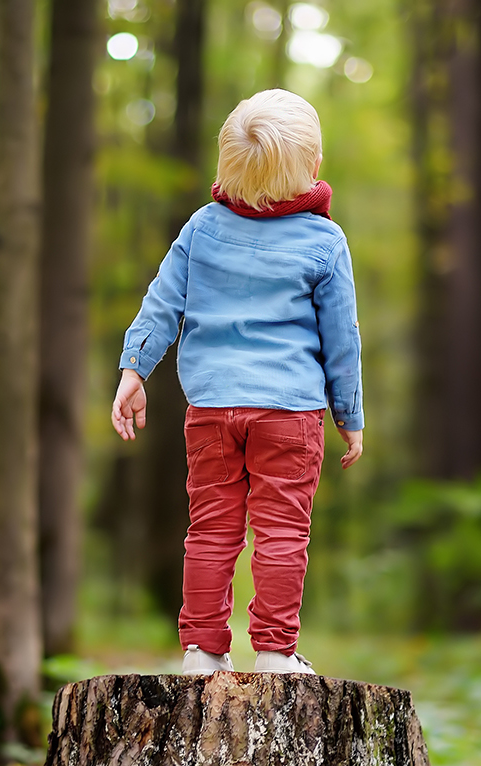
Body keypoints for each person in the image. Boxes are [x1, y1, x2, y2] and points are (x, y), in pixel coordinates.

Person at [110, 88, 365, 676]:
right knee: (281, 533)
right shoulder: (324, 242)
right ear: (313, 168)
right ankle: (275, 650)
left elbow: (160, 303)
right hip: (289, 414)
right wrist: (348, 415)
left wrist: (134, 369)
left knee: (211, 531)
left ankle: (202, 651)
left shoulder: (202, 228)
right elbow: (341, 337)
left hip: (212, 409)